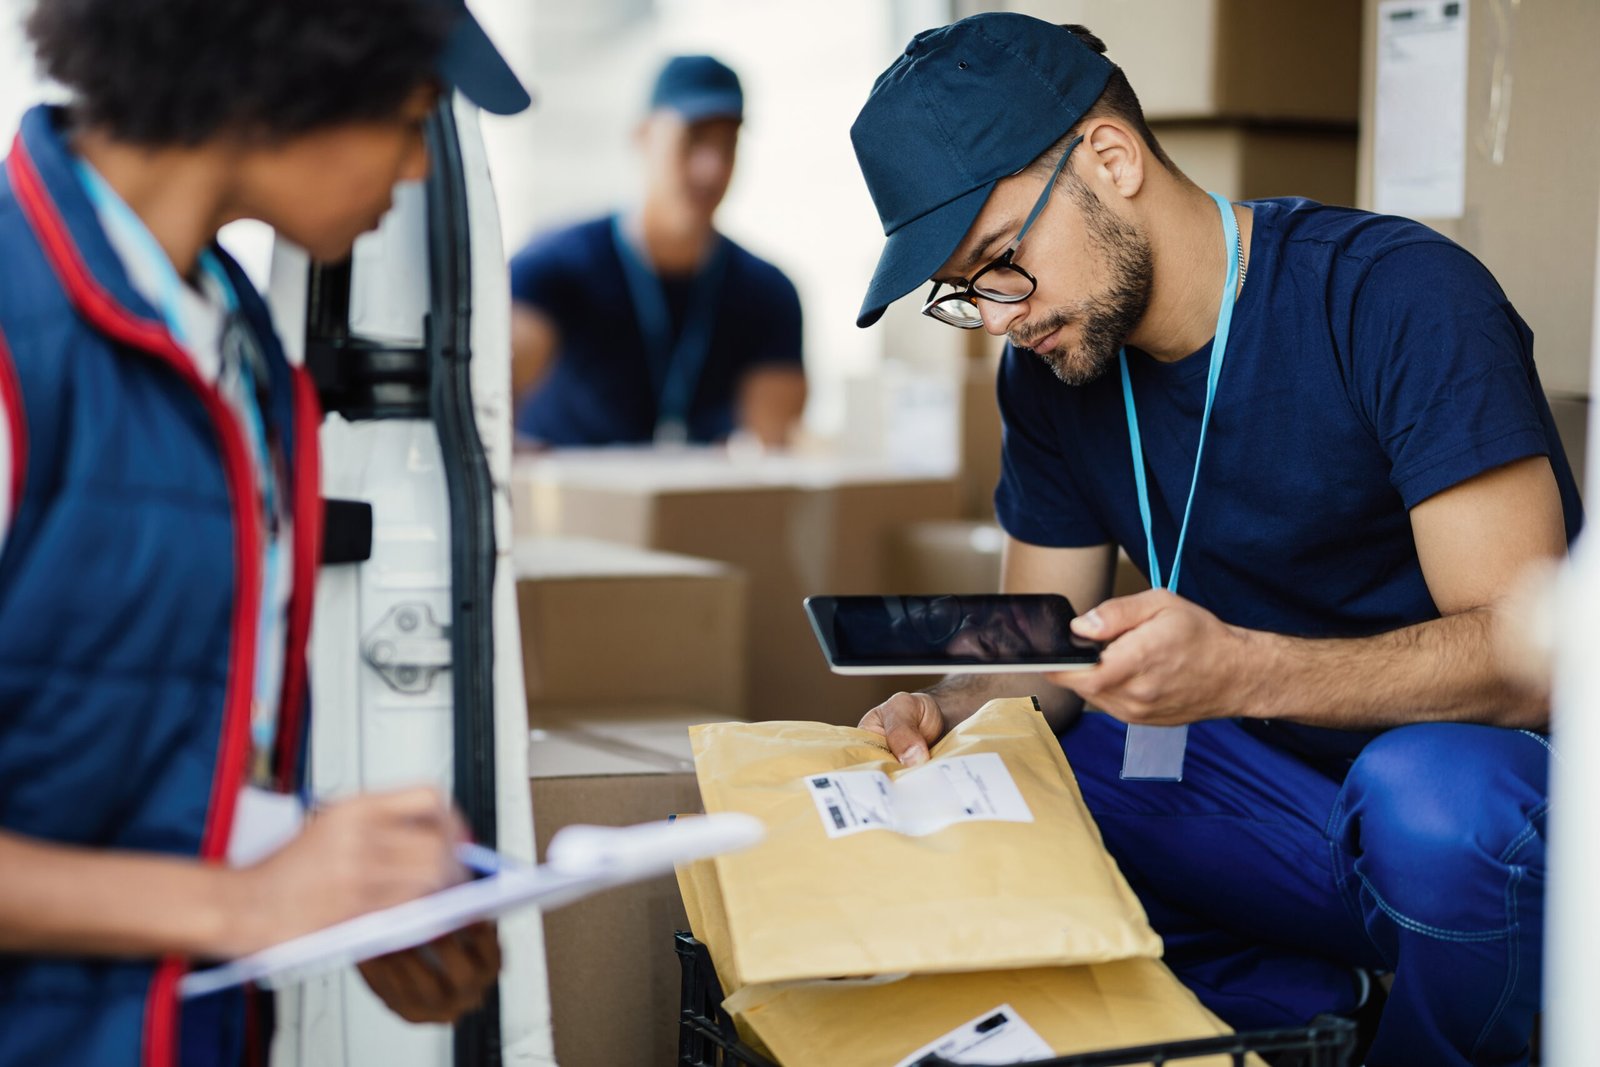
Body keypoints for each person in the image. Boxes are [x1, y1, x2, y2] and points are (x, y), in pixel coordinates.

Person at [848, 14, 1577, 1067]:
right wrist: (944, 709)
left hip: (1474, 816)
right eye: (964, 292)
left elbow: (1531, 657)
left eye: (1001, 260)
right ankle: (1299, 1020)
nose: (1000, 315)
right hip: (1265, 805)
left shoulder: (1393, 296)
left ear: (1111, 156)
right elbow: (1037, 658)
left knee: (1433, 799)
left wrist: (1238, 669)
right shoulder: (1053, 371)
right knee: (1023, 768)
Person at [0, 0, 530, 1062]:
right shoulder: (18, 343)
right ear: (288, 79)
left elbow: (133, 747)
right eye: (410, 113)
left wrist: (333, 876)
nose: (415, 169)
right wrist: (239, 903)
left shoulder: (236, 354)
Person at [509, 54, 806, 448]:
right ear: (644, 136)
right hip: (575, 503)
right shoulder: (553, 267)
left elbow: (773, 449)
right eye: (694, 138)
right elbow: (485, 402)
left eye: (727, 144)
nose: (711, 168)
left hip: (697, 507)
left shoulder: (768, 292)